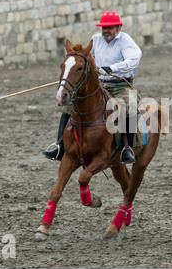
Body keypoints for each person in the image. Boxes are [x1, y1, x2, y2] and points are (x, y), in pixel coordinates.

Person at [43, 10, 142, 164]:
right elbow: (85, 57)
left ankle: (126, 148)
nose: (105, 31)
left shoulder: (126, 41)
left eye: (109, 28)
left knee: (130, 105)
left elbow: (133, 60)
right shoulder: (95, 39)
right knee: (69, 105)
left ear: (119, 28)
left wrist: (111, 68)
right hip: (99, 84)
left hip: (120, 85)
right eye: (103, 28)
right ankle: (59, 146)